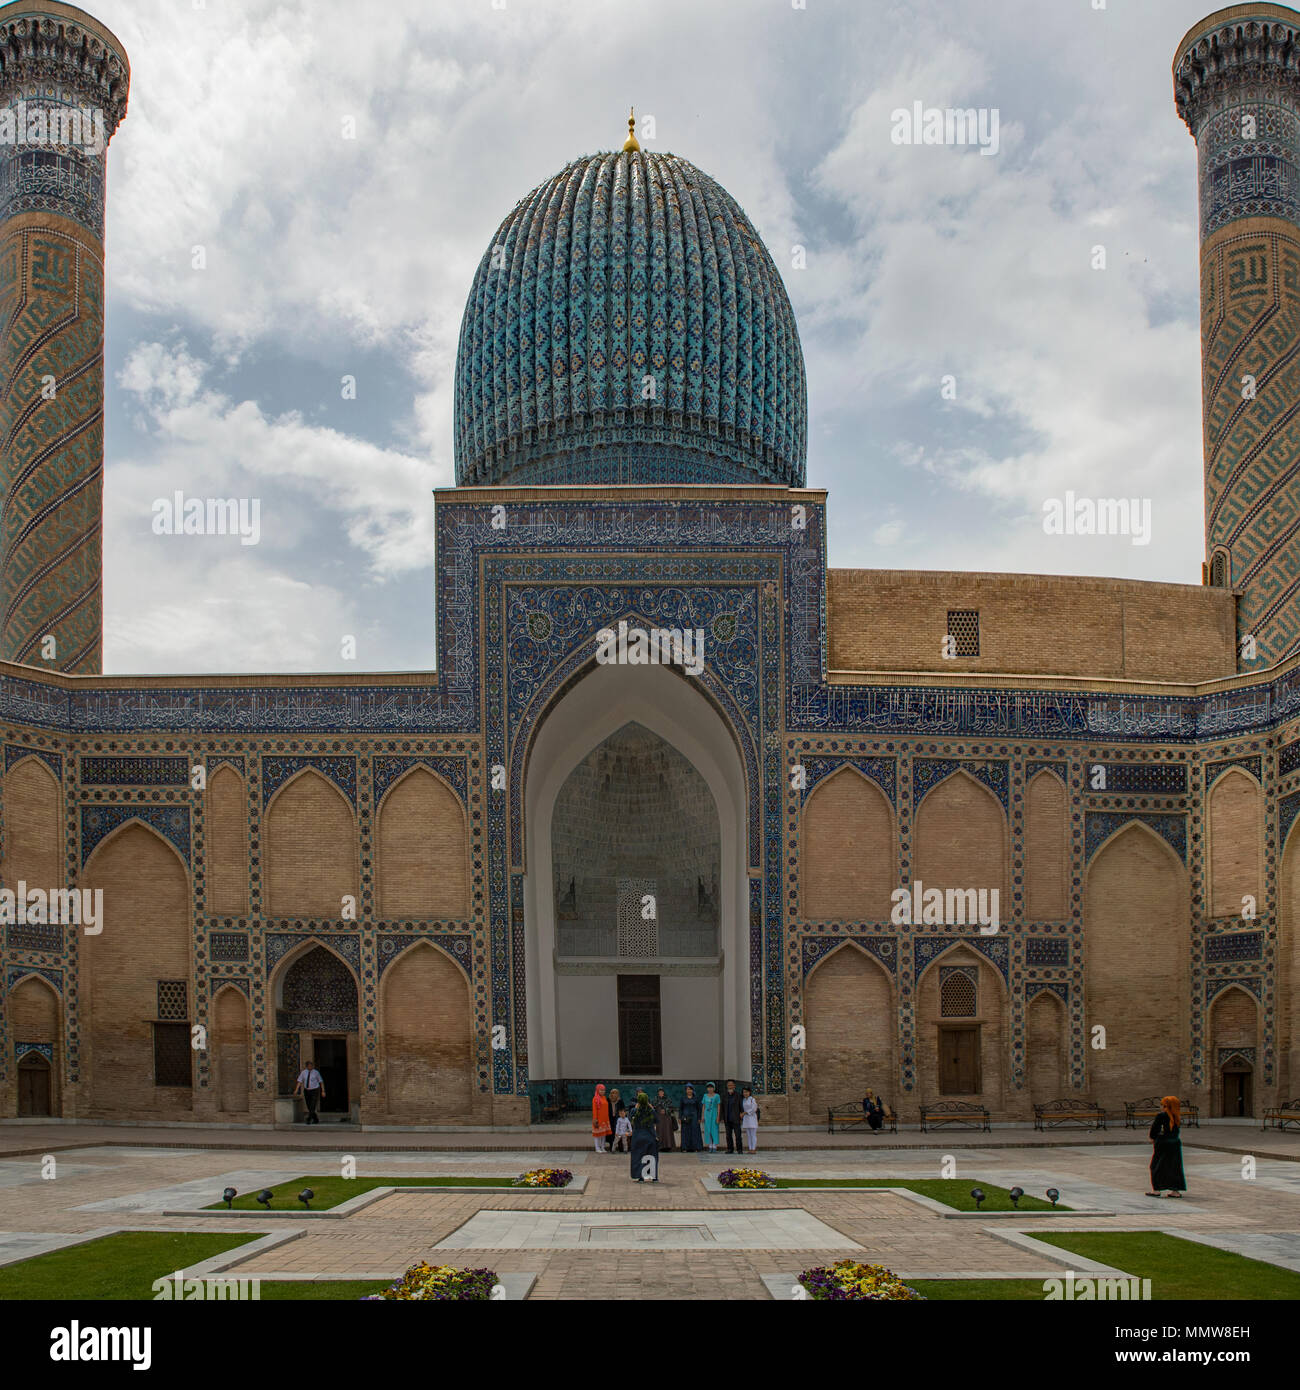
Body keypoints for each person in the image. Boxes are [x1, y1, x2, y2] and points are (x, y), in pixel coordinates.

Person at [1147, 1094, 1186, 1198]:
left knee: (1156, 1166)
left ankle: (1156, 1190)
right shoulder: (1176, 1116)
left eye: (1163, 1105)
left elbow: (1154, 1130)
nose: (1161, 1107)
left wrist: (1153, 1137)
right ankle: (1175, 1191)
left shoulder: (1161, 1116)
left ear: (1166, 1106)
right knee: (1174, 1167)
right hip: (1175, 1143)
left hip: (1163, 1143)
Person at [630, 1090, 660, 1182]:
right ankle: (654, 1177)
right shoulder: (651, 1111)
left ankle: (641, 1177)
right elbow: (657, 1120)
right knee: (652, 1156)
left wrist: (636, 1107)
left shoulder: (634, 1110)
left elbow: (631, 1119)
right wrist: (652, 1109)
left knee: (639, 1156)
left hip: (638, 1136)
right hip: (650, 1136)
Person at [293, 1058, 324, 1124]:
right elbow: (299, 1081)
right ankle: (315, 1119)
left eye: (311, 1066)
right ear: (306, 1066)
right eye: (309, 1066)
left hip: (314, 1090)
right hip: (307, 1091)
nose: (310, 1067)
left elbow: (321, 1081)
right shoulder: (303, 1072)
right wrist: (296, 1089)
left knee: (312, 1105)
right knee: (309, 1106)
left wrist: (323, 1091)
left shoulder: (316, 1072)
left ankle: (308, 1119)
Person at [721, 1079, 744, 1155]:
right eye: (728, 1085)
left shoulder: (738, 1095)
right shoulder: (724, 1095)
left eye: (731, 1085)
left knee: (738, 1135)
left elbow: (741, 1106)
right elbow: (722, 1107)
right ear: (727, 1086)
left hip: (736, 1119)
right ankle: (730, 1149)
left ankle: (739, 1149)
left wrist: (741, 1116)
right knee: (728, 1135)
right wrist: (722, 1117)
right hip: (727, 1119)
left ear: (734, 1086)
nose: (730, 1086)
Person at [679, 1084, 702, 1152]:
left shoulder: (696, 1098)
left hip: (694, 1117)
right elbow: (680, 1108)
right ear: (686, 1090)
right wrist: (680, 1117)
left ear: (692, 1090)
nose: (689, 1091)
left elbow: (699, 1109)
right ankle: (685, 1148)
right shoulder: (683, 1098)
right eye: (687, 1089)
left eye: (690, 1089)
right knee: (685, 1132)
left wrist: (699, 1118)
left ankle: (695, 1147)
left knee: (694, 1132)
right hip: (685, 1117)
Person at [654, 1087, 677, 1152]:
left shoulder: (667, 1099)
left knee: (667, 1132)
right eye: (659, 1091)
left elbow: (671, 1108)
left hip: (667, 1118)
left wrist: (665, 1110)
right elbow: (653, 1108)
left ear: (664, 1092)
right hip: (659, 1118)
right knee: (660, 1132)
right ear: (658, 1093)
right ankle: (660, 1147)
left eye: (662, 1091)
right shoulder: (656, 1099)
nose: (661, 1093)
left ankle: (668, 1146)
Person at [592, 1083, 612, 1154]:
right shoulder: (595, 1099)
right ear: (597, 1090)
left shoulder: (604, 1098)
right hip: (598, 1119)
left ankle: (602, 1147)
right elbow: (594, 1110)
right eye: (601, 1090)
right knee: (597, 1135)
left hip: (605, 1119)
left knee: (603, 1134)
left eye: (603, 1090)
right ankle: (597, 1148)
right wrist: (595, 1119)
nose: (602, 1091)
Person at [701, 1083, 721, 1152]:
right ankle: (710, 1145)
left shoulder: (717, 1096)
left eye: (711, 1087)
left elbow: (718, 1106)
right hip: (707, 1115)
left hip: (714, 1114)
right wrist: (702, 1116)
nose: (710, 1089)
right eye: (708, 1087)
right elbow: (703, 1106)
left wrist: (718, 1116)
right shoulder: (705, 1096)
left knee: (714, 1129)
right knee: (708, 1130)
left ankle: (714, 1145)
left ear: (714, 1088)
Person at [741, 1084, 759, 1154]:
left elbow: (754, 1109)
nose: (745, 1093)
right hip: (746, 1119)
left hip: (752, 1119)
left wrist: (745, 1112)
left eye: (746, 1092)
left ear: (749, 1092)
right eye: (744, 1092)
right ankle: (750, 1148)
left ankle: (753, 1148)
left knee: (753, 1135)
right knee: (748, 1135)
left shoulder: (752, 1099)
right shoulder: (743, 1100)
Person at [605, 1087, 623, 1152]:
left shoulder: (620, 1100)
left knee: (617, 1132)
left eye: (615, 1093)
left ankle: (620, 1146)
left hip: (617, 1118)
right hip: (610, 1118)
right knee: (611, 1132)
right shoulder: (608, 1100)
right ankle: (611, 1146)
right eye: (613, 1093)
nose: (614, 1094)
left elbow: (622, 1109)